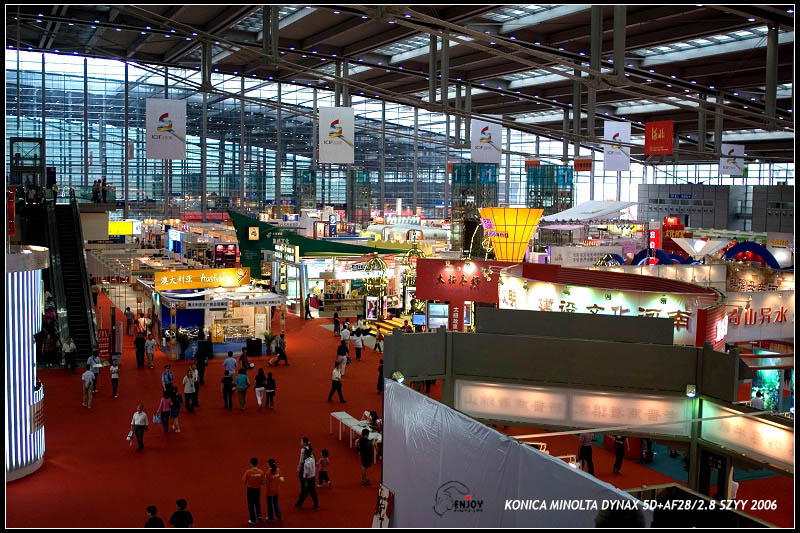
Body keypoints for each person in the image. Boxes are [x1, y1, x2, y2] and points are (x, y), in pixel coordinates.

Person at [243, 458, 266, 525]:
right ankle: (259, 515)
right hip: (257, 489)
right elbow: (263, 482)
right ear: (257, 463)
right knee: (257, 502)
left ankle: (253, 520)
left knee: (251, 504)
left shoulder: (248, 472)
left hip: (250, 490)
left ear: (251, 463)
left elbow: (244, 481)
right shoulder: (261, 472)